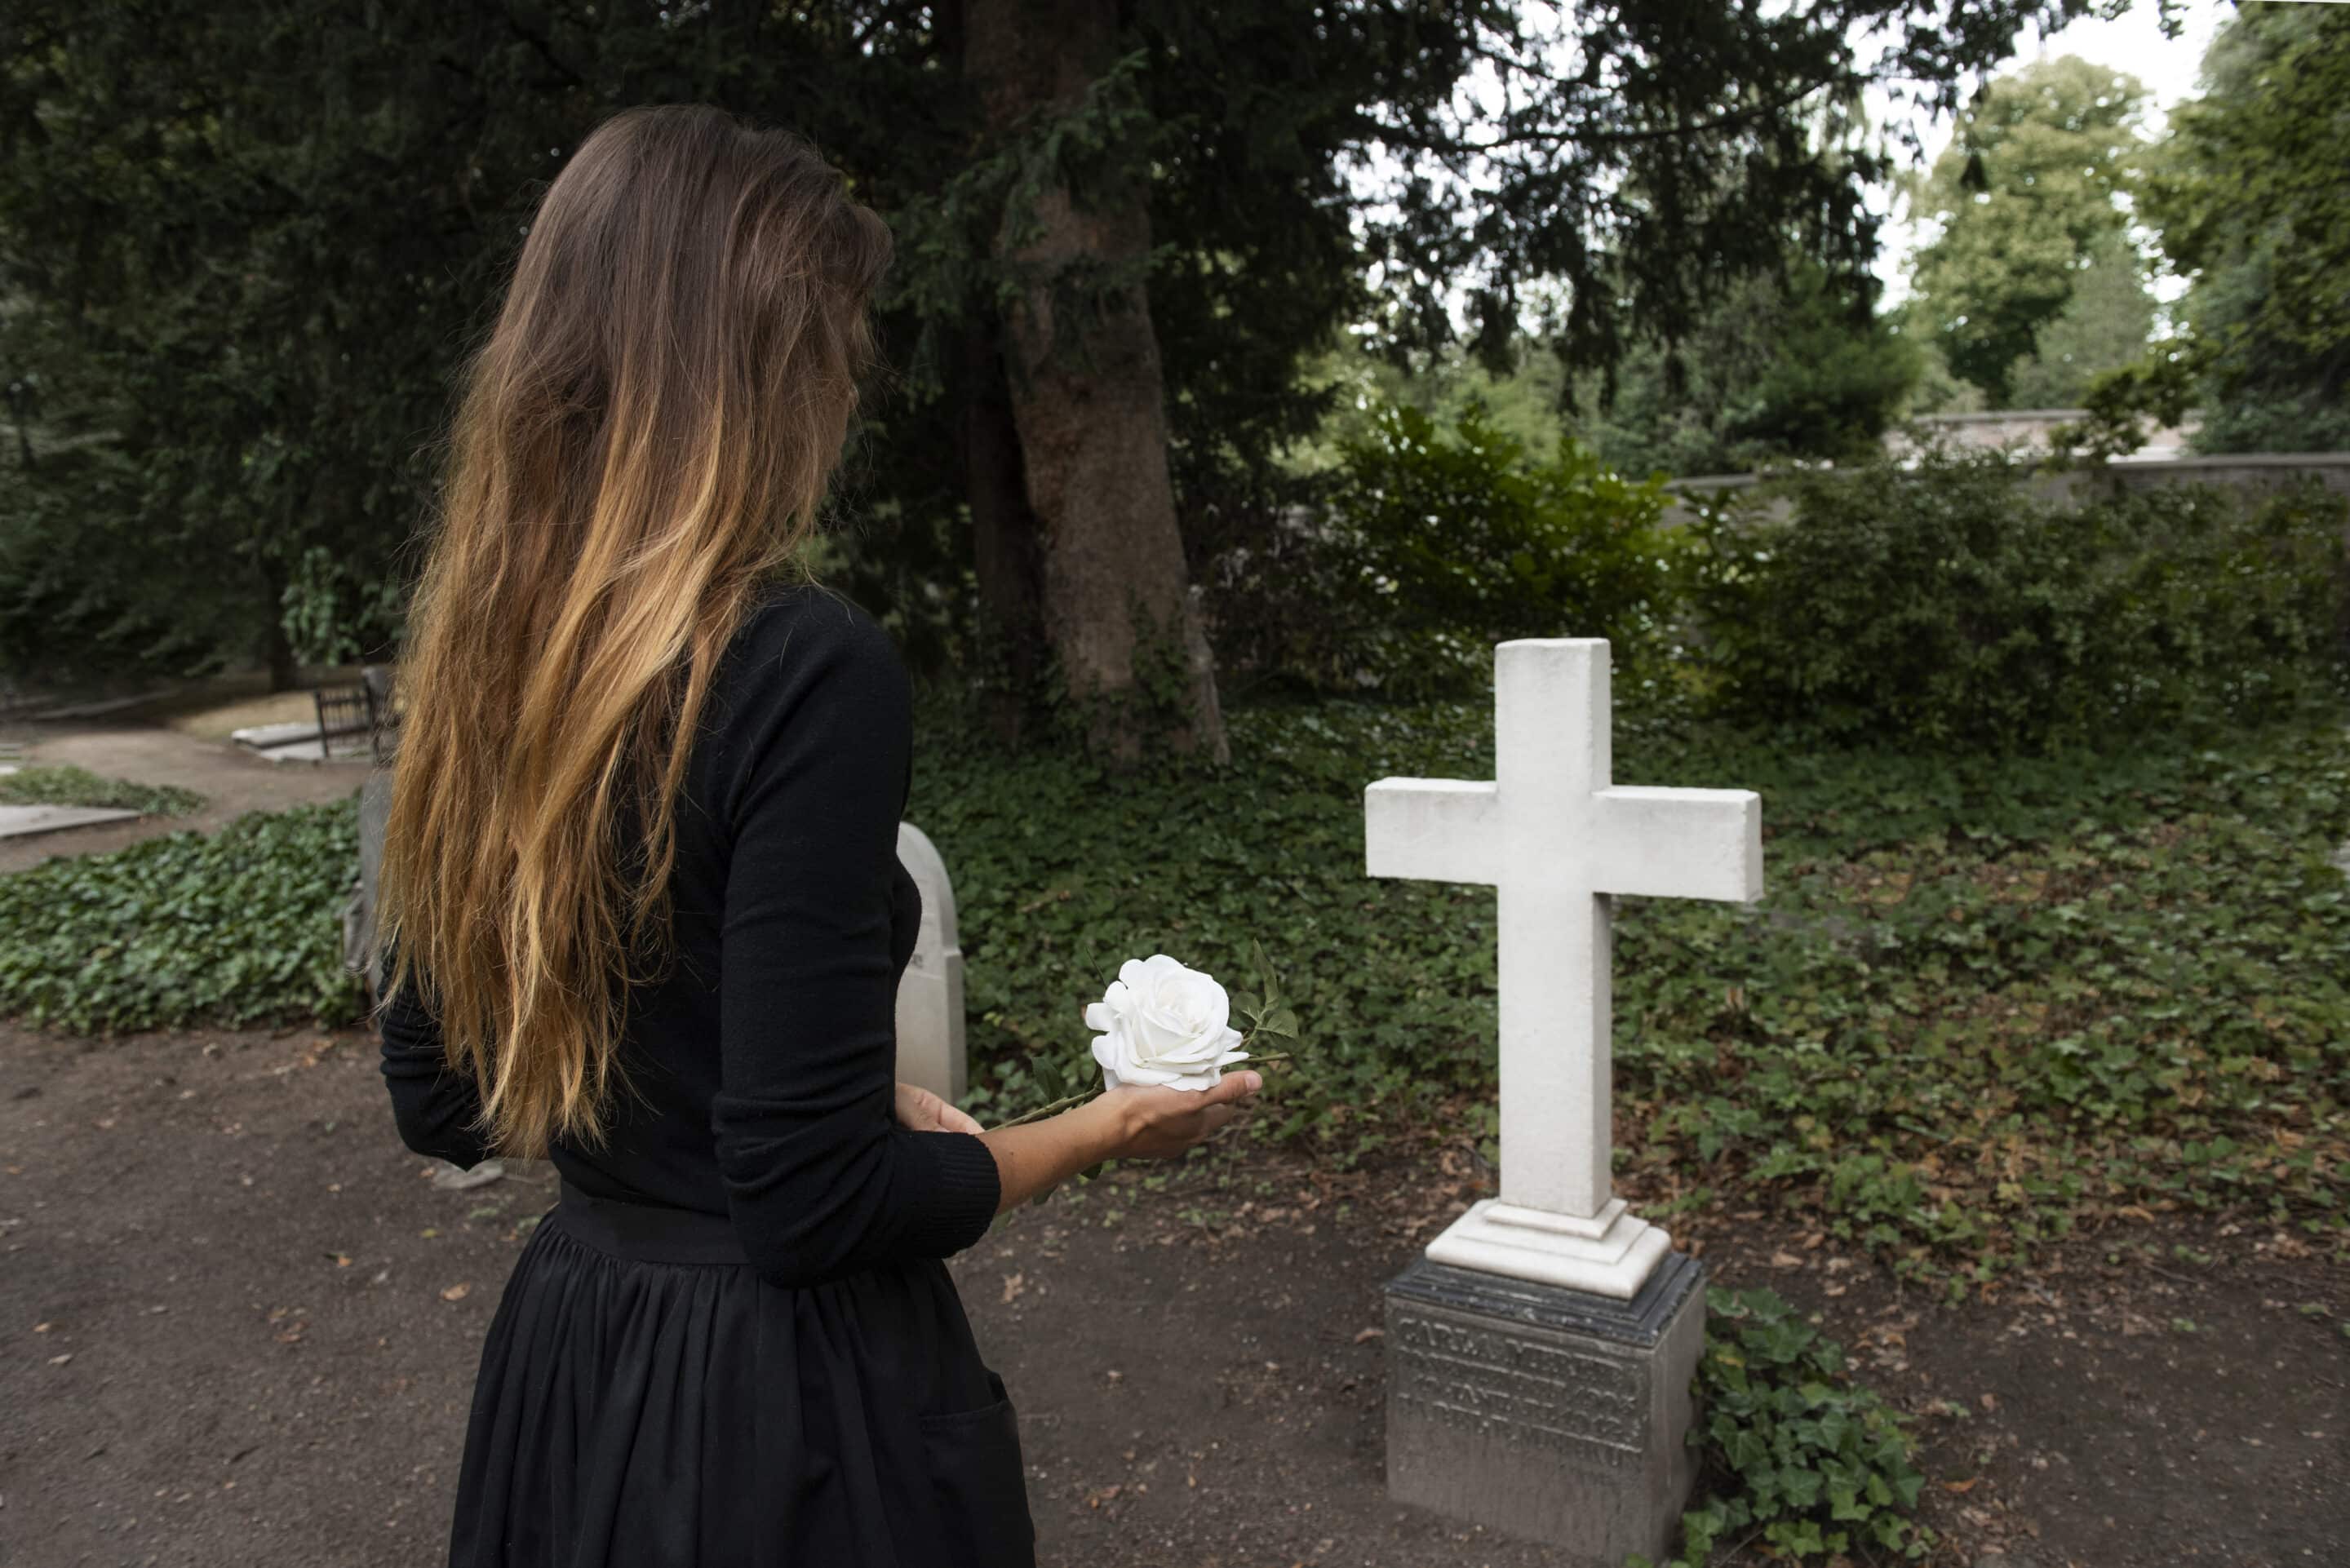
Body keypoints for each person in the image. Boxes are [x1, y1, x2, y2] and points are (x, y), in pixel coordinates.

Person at [371, 104, 1261, 1568]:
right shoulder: (802, 668)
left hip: (579, 1373)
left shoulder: (478, 661)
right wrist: (1103, 1128)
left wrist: (800, 1093)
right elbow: (810, 1205)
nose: (848, 399)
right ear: (750, 376)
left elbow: (445, 1101)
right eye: (835, 355)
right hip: (769, 1415)